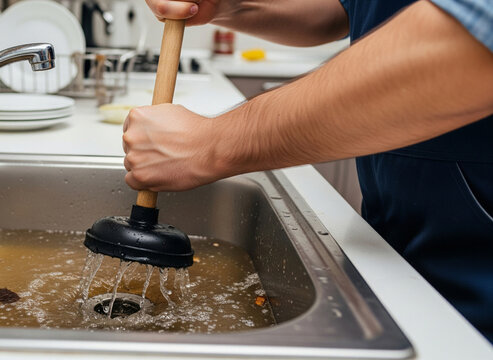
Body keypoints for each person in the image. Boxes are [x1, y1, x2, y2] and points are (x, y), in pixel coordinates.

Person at [122, 0, 493, 342]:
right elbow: (342, 9)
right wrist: (232, 5)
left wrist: (215, 142)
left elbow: (469, 43)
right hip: (399, 251)